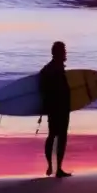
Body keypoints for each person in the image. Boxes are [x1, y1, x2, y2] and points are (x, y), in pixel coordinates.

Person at [38, 40, 72, 178]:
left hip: (54, 107)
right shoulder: (55, 69)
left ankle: (51, 166)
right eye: (64, 51)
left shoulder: (49, 68)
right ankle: (58, 169)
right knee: (61, 137)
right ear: (58, 53)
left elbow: (42, 83)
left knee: (52, 135)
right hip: (60, 107)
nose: (66, 53)